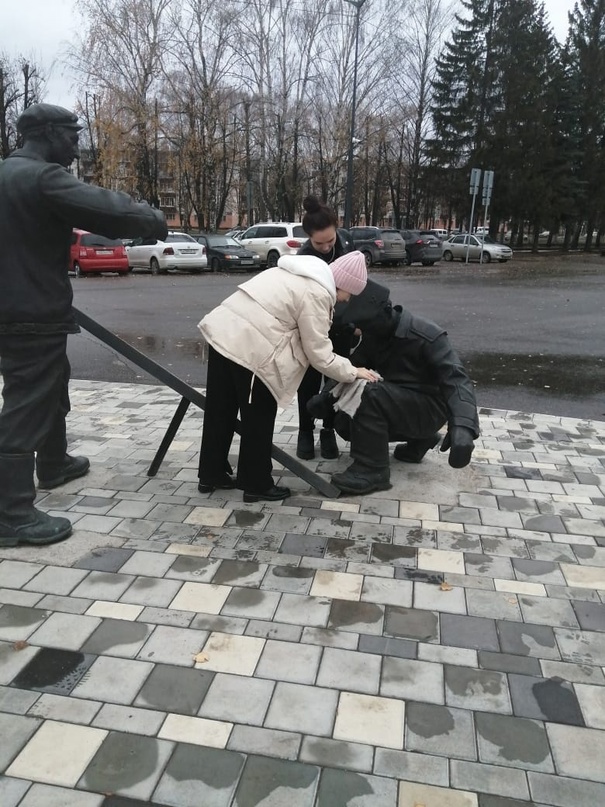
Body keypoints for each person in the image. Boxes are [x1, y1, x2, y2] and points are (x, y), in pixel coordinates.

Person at [0, 103, 168, 548]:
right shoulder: (42, 177)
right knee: (26, 403)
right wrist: (153, 219)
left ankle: (53, 462)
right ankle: (11, 514)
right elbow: (104, 209)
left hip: (18, 305)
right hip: (30, 311)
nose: (76, 148)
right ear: (49, 133)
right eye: (72, 137)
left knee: (53, 383)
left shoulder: (5, 173)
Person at [197, 250, 379, 503]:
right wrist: (353, 371)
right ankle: (256, 484)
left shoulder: (288, 271)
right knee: (258, 417)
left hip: (222, 333)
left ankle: (211, 473)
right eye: (350, 293)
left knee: (220, 410)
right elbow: (319, 354)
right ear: (344, 284)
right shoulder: (317, 293)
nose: (347, 300)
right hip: (250, 349)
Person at [308, 294, 480, 495]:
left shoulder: (425, 334)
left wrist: (463, 427)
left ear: (382, 314)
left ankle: (372, 470)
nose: (360, 331)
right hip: (399, 404)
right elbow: (352, 367)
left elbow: (457, 380)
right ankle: (421, 440)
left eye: (363, 325)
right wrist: (326, 396)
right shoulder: (376, 335)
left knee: (369, 394)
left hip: (429, 410)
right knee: (344, 421)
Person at [295, 196, 354, 461]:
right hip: (313, 327)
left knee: (335, 381)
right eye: (319, 243)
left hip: (342, 327)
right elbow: (301, 299)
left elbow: (360, 281)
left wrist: (356, 319)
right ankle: (305, 431)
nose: (327, 246)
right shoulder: (303, 258)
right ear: (309, 238)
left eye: (330, 240)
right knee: (308, 382)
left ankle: (328, 430)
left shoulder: (346, 245)